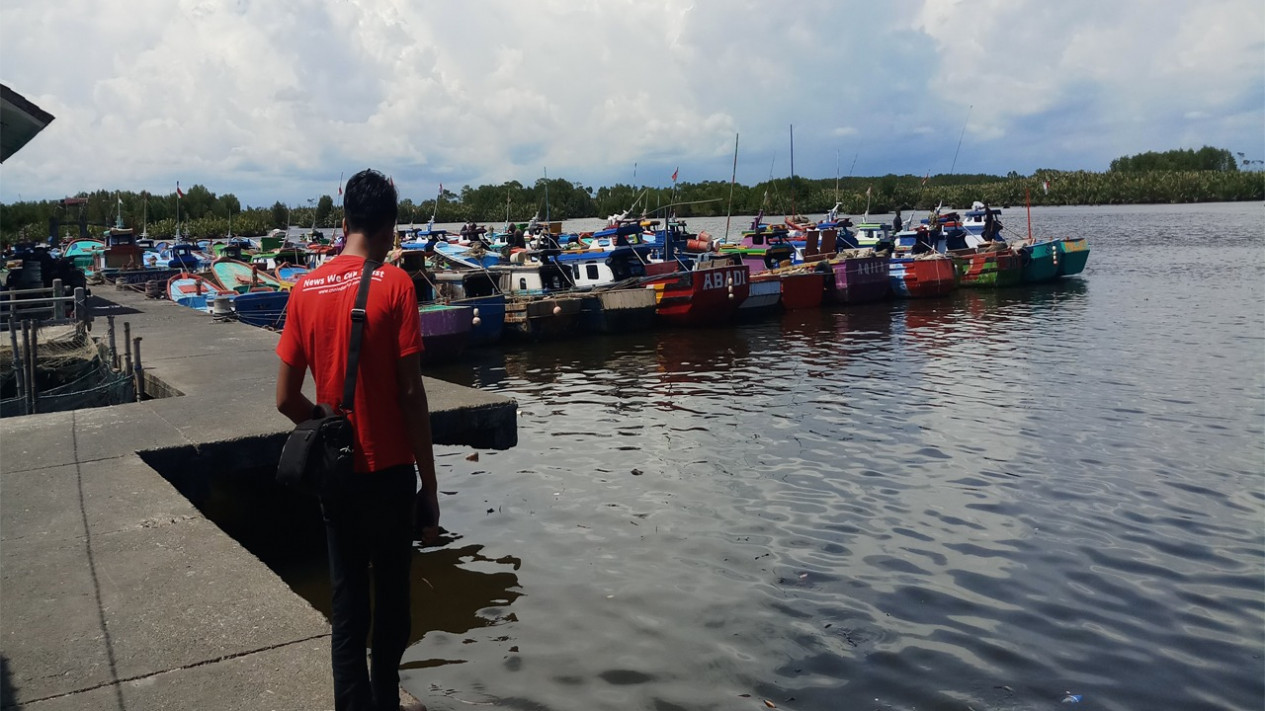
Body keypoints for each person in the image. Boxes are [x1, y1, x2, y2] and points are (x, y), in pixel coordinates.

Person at [275, 169, 438, 711]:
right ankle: (385, 700)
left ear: (344, 224)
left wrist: (326, 429)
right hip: (389, 472)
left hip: (336, 475)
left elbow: (285, 399)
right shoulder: (397, 286)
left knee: (347, 606)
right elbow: (411, 394)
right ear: (389, 228)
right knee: (391, 603)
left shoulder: (304, 289)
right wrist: (430, 484)